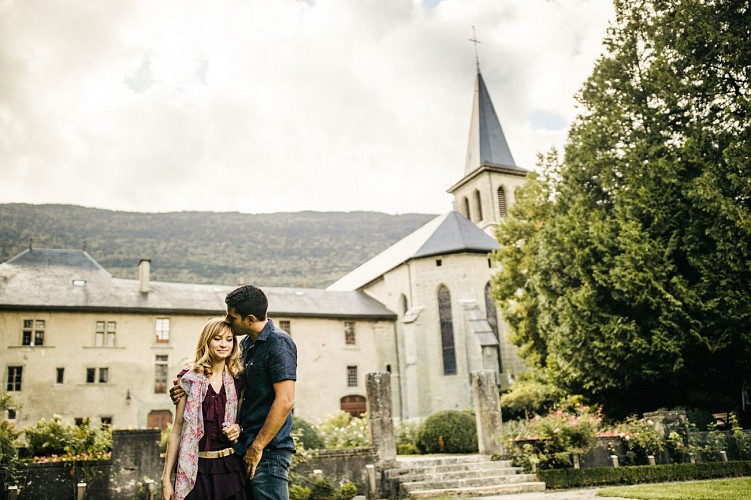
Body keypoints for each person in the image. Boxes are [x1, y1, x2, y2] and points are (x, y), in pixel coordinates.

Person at [172, 284, 297, 500]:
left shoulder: (279, 343)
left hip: (268, 451)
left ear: (249, 319)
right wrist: (183, 390)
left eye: (232, 317)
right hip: (244, 447)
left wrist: (257, 448)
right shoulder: (248, 344)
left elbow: (285, 401)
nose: (227, 321)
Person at [161, 317, 246, 500]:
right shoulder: (189, 379)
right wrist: (166, 479)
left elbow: (242, 421)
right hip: (196, 470)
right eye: (217, 338)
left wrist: (238, 428)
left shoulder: (238, 380)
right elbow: (177, 430)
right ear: (207, 341)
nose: (224, 344)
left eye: (229, 339)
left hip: (230, 468)